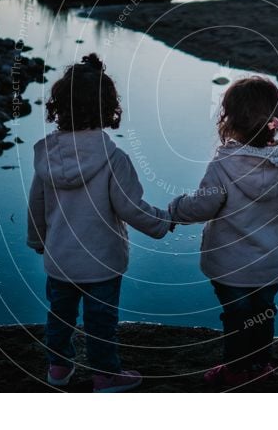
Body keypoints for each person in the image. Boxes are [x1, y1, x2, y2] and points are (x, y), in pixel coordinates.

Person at [27, 53, 171, 391]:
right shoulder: (113, 159)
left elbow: (36, 203)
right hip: (102, 261)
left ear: (58, 106)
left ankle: (58, 369)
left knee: (59, 317)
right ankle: (105, 375)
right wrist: (163, 222)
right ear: (109, 108)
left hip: (60, 258)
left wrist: (37, 239)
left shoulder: (47, 154)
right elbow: (131, 209)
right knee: (101, 322)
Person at [169, 76, 278, 388]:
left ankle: (234, 371)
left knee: (236, 319)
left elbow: (203, 207)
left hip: (229, 266)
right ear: (276, 121)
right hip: (269, 264)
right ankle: (260, 366)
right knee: (263, 314)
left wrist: (176, 209)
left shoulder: (224, 165)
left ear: (228, 119)